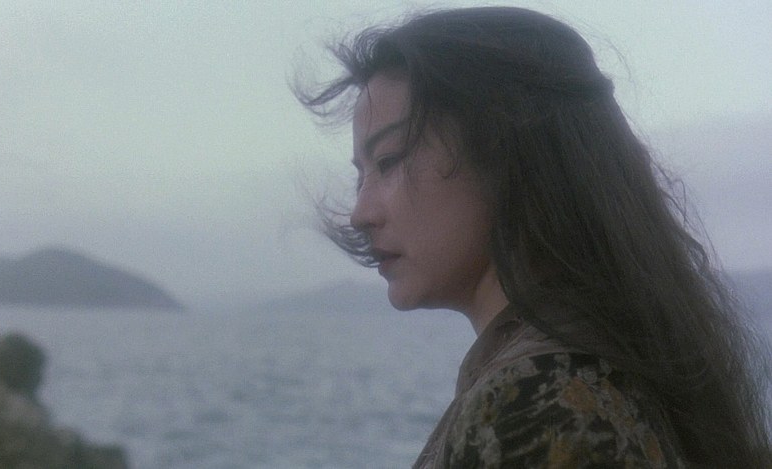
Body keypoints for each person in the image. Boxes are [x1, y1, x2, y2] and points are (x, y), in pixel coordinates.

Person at [296, 7, 772, 468]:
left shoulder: (541, 404)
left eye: (388, 161)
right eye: (361, 175)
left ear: (505, 153)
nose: (360, 214)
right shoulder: (593, 369)